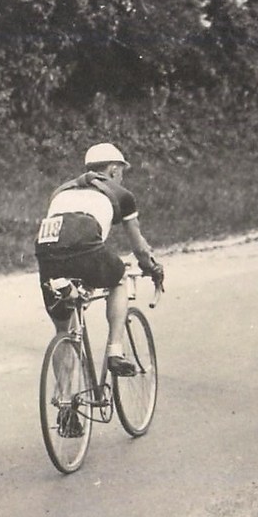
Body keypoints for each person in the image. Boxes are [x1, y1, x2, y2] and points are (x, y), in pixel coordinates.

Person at [36, 142, 163, 377]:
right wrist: (152, 267)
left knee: (63, 329)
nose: (122, 178)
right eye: (122, 172)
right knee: (119, 278)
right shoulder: (121, 194)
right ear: (114, 170)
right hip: (84, 243)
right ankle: (115, 351)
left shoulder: (61, 191)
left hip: (46, 251)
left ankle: (64, 403)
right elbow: (140, 248)